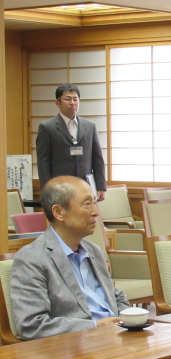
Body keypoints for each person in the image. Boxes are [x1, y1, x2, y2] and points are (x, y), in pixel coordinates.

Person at [11, 176, 129, 340]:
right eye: (87, 204)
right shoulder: (31, 258)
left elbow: (115, 296)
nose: (96, 212)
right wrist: (95, 326)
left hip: (115, 337)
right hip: (73, 349)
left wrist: (131, 317)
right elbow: (32, 325)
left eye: (95, 203)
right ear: (58, 212)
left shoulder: (92, 251)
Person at [36, 84, 107, 201]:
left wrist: (101, 186)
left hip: (86, 186)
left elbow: (97, 158)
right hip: (60, 188)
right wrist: (47, 190)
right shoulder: (47, 127)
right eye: (68, 99)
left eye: (75, 99)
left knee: (86, 218)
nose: (72, 103)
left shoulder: (89, 126)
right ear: (57, 103)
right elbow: (43, 162)